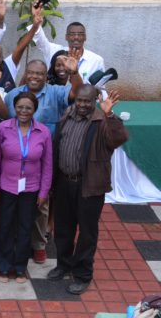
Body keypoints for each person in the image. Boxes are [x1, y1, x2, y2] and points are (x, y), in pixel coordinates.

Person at [47, 86, 128, 295]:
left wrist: (110, 115)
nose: (82, 105)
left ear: (95, 101)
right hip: (64, 182)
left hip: (89, 186)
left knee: (87, 232)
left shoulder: (102, 121)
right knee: (63, 228)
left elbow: (118, 139)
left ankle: (83, 274)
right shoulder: (67, 116)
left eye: (87, 101)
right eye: (79, 101)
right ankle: (64, 264)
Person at [5, 56, 84, 263]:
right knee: (16, 202)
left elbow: (78, 92)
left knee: (41, 202)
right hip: (16, 160)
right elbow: (5, 125)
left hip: (43, 160)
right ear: (25, 74)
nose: (35, 77)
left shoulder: (55, 92)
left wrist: (74, 73)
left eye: (39, 73)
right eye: (31, 72)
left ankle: (39, 245)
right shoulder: (12, 95)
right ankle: (17, 241)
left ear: (45, 76)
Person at [0, 92, 53, 283]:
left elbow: (47, 165)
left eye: (28, 108)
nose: (23, 111)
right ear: (14, 108)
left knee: (26, 228)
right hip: (6, 186)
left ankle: (19, 268)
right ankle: (3, 266)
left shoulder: (43, 132)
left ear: (34, 110)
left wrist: (43, 192)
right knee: (5, 226)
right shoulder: (4, 128)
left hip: (31, 189)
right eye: (20, 107)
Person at [33, 21, 105, 82]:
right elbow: (40, 39)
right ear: (66, 37)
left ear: (85, 37)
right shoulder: (55, 51)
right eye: (72, 34)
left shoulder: (97, 60)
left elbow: (100, 86)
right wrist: (36, 24)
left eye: (80, 34)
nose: (76, 37)